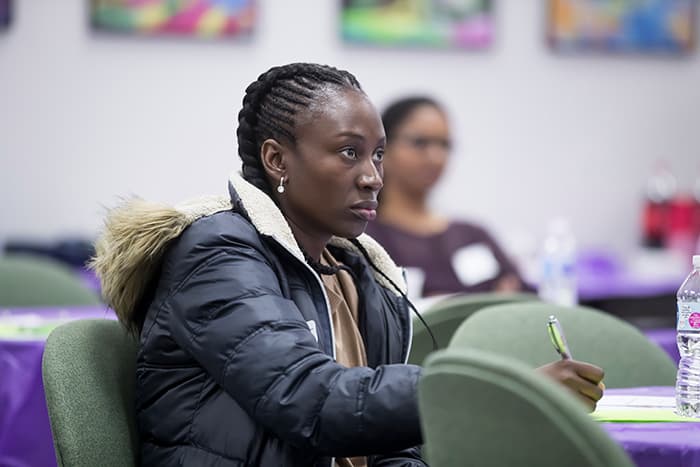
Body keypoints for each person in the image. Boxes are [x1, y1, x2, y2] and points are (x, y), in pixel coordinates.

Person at [92, 63, 604, 467]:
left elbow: (388, 448)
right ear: (277, 161)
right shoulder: (217, 253)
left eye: (378, 156)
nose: (372, 177)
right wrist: (501, 392)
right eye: (348, 153)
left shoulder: (356, 271)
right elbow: (313, 402)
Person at [365, 96, 526, 297]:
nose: (436, 157)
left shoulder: (472, 234)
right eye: (420, 143)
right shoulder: (367, 236)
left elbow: (523, 294)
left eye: (444, 145)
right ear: (382, 148)